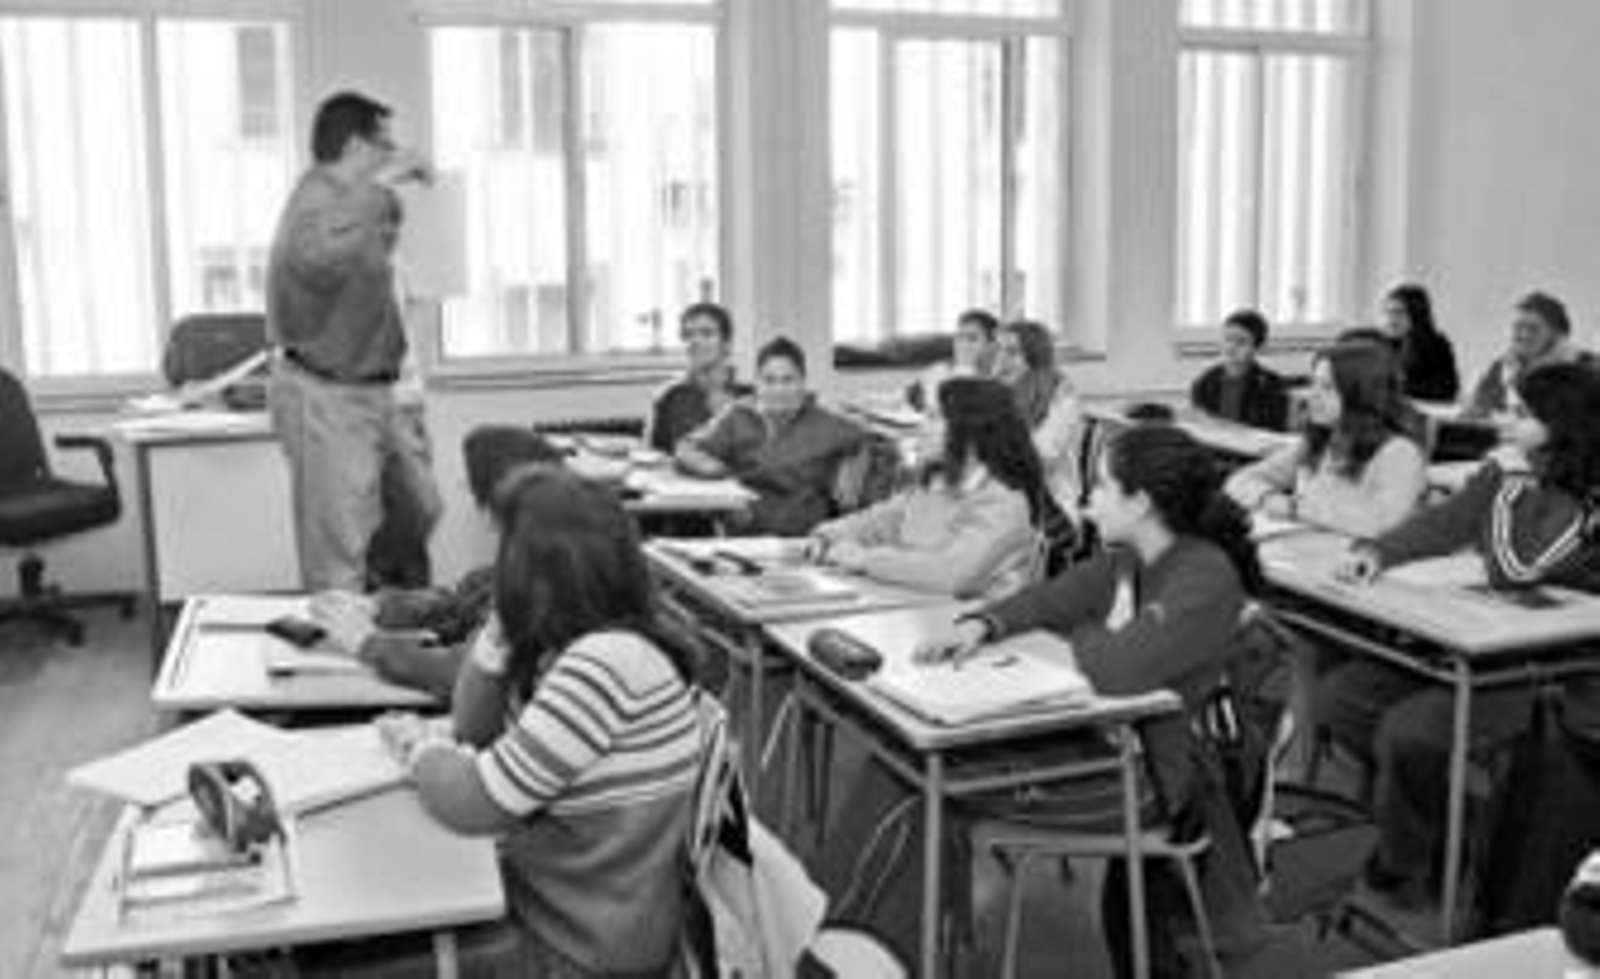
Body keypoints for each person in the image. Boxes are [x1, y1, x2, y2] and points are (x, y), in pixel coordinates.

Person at [917, 424, 1270, 977]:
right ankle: (883, 947)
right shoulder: (1131, 560)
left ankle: (878, 951)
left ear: (1142, 502)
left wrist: (1082, 633)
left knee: (930, 784)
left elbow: (1117, 670)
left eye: (1100, 487)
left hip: (1159, 782)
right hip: (1114, 751)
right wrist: (985, 623)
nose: (1085, 501)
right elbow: (1051, 598)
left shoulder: (1203, 574)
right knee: (915, 771)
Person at [376, 466, 703, 977]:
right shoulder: (587, 636)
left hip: (577, 948)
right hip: (561, 905)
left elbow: (475, 803)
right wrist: (498, 632)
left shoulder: (604, 664)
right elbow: (471, 728)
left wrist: (417, 747)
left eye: (506, 551)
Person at [1321, 362, 1600, 908]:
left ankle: (1408, 856)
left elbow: (1518, 567)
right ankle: (1439, 826)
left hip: (1548, 676)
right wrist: (1378, 551)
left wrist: (1511, 481)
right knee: (1343, 700)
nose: (1505, 421)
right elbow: (1447, 522)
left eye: (1522, 414)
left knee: (1410, 733)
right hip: (1483, 645)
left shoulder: (1586, 495)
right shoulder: (1510, 473)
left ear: (1562, 425)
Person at [266, 90, 438, 592]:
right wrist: (383, 182)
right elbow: (316, 258)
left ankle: (372, 603)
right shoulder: (314, 200)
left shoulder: (354, 207)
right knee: (337, 551)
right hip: (327, 394)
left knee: (419, 506)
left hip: (378, 392)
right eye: (387, 144)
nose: (396, 153)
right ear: (360, 147)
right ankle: (341, 640)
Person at [314, 424, 565, 699]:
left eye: (472, 490)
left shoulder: (541, 579)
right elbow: (459, 602)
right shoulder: (530, 554)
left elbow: (459, 672)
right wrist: (378, 606)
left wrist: (368, 644)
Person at [807, 377, 1055, 602]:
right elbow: (879, 521)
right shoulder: (935, 483)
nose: (922, 426)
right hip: (917, 610)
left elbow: (950, 574)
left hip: (971, 631)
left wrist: (863, 559)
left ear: (971, 433)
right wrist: (827, 536)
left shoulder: (1004, 502)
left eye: (935, 418)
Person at [1226, 341, 1428, 538]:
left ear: (1361, 394)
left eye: (1327, 387)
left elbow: (1381, 524)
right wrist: (1267, 497)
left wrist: (1296, 507)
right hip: (1308, 551)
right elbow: (1238, 481)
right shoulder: (1319, 440)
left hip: (1355, 562)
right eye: (1313, 383)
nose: (1312, 395)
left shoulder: (1400, 452)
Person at [677, 336, 871, 535]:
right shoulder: (738, 415)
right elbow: (687, 448)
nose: (779, 390)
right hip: (742, 533)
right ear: (757, 383)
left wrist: (851, 482)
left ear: (803, 382)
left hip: (801, 539)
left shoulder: (829, 424)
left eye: (788, 380)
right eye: (769, 380)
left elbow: (868, 439)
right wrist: (716, 472)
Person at [993, 319, 1085, 518]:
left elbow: (1039, 460)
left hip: (1050, 506)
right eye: (999, 350)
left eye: (1013, 352)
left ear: (1035, 356)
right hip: (1006, 501)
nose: (1001, 360)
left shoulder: (1062, 398)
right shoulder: (1000, 393)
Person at [1463, 291, 1592, 420]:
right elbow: (1479, 407)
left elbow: (1565, 420)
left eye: (1534, 329)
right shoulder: (1505, 366)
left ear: (1558, 336)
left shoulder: (1582, 369)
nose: (1524, 335)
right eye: (1518, 328)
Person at [646, 302, 753, 455]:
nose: (695, 341)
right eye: (688, 335)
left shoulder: (750, 396)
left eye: (706, 334)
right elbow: (653, 457)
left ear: (726, 344)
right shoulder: (668, 395)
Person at [1189, 309, 1291, 432]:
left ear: (1257, 347)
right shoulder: (1204, 383)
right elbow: (1199, 428)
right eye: (1227, 339)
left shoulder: (1272, 385)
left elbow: (1275, 432)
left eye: (1241, 342)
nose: (1231, 347)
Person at [904, 309, 1000, 414]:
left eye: (972, 339)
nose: (963, 346)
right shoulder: (938, 374)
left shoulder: (999, 381)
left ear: (992, 345)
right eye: (959, 338)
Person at [1382, 284, 1460, 404]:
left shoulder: (1437, 345)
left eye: (1398, 313)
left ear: (1416, 314)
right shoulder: (1382, 344)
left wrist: (1399, 387)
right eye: (1388, 313)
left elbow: (1447, 391)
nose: (1391, 320)